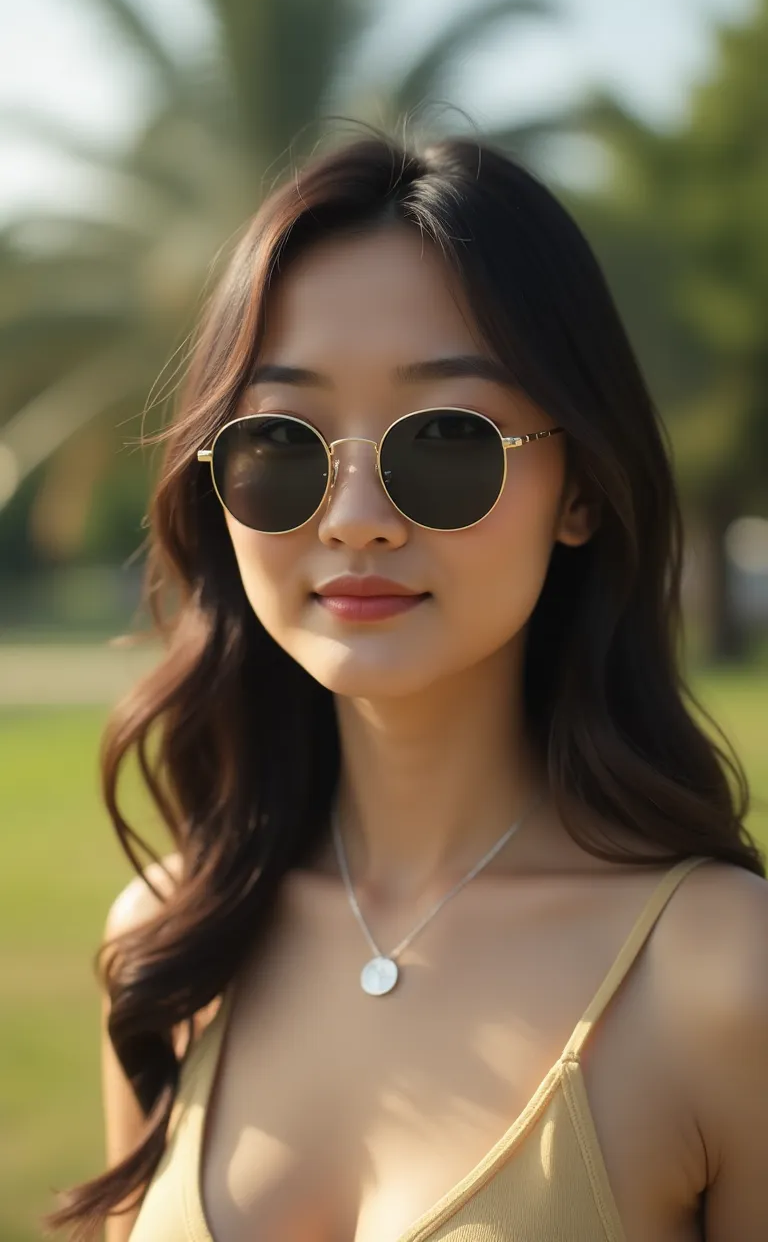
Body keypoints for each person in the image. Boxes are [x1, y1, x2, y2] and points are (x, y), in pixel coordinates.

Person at [45, 129, 768, 1242]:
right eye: (280, 442)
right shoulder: (167, 948)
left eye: (444, 438)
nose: (357, 516)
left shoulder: (726, 980)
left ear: (579, 487)